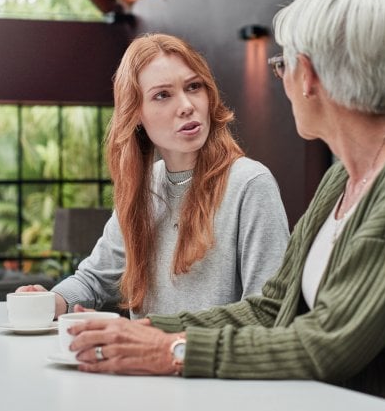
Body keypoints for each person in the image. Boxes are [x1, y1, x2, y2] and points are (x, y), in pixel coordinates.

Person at [66, 0, 385, 410]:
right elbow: (272, 307)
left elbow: (327, 345)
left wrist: (172, 351)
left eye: (283, 66)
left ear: (309, 76)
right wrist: (154, 329)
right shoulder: (343, 180)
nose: (281, 79)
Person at [18, 33, 289, 319]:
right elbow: (94, 279)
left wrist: (167, 344)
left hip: (206, 363)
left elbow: (267, 313)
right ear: (135, 113)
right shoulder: (145, 187)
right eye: (162, 95)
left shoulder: (250, 183)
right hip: (139, 364)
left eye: (194, 87)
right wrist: (50, 300)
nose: (186, 105)